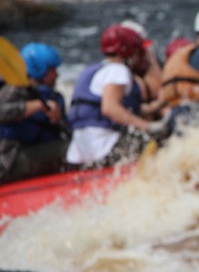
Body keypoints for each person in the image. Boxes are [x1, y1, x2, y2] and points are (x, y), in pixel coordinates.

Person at [65, 24, 169, 168]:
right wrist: (148, 126)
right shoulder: (119, 71)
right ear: (131, 52)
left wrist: (158, 105)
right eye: (139, 51)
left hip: (78, 152)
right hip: (103, 148)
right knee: (161, 141)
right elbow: (110, 108)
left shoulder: (92, 70)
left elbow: (122, 108)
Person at [0, 43, 69, 184]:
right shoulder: (14, 90)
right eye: (52, 70)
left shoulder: (50, 95)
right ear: (39, 70)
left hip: (22, 156)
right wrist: (38, 106)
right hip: (8, 163)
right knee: (70, 150)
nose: (57, 74)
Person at [121, 19, 165, 119]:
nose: (144, 54)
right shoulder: (118, 74)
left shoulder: (150, 56)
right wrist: (157, 105)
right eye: (140, 49)